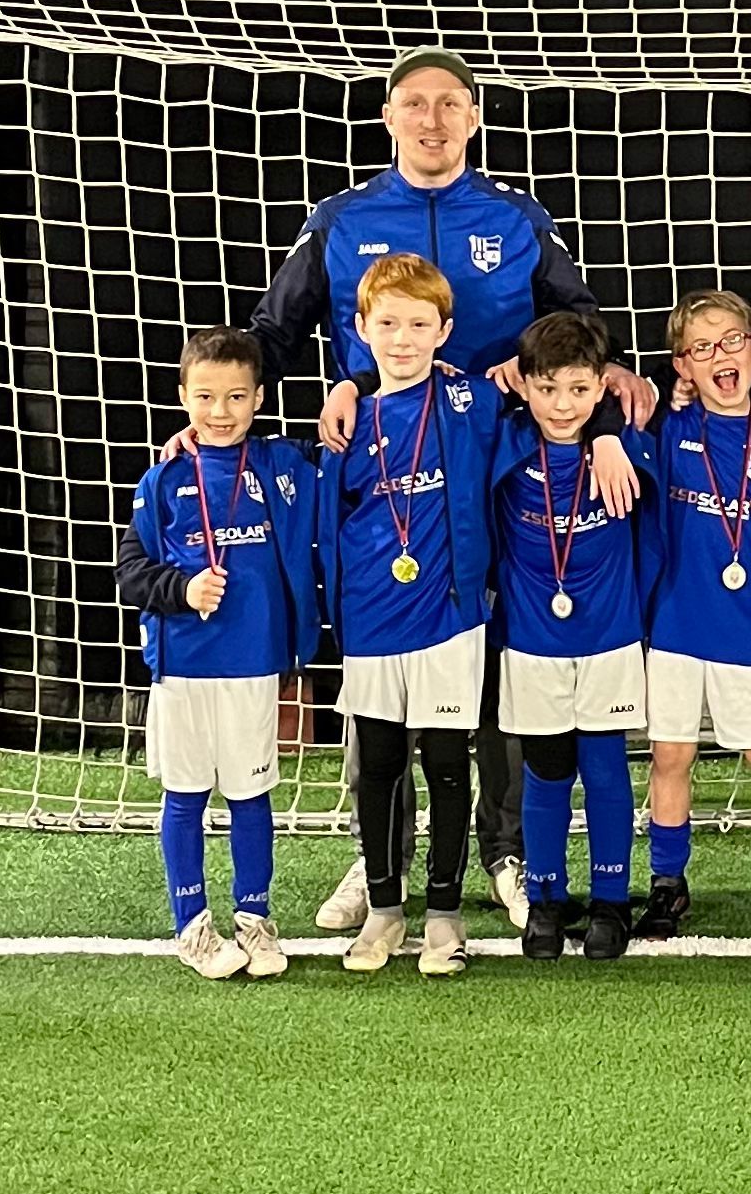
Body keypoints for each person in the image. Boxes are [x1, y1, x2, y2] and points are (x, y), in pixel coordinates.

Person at [205, 45, 662, 934]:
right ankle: (378, 851)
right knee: (381, 669)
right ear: (388, 117)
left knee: (491, 661)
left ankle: (503, 849)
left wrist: (604, 417)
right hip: (383, 478)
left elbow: (582, 328)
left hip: (497, 467)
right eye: (415, 103)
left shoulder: (516, 217)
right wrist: (219, 412)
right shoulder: (342, 220)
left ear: (474, 117)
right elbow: (271, 333)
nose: (432, 119)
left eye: (451, 103)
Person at [316, 255, 505, 977]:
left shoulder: (470, 401)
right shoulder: (345, 422)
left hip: (450, 619)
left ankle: (445, 915)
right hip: (370, 619)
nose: (402, 338)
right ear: (360, 328)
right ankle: (385, 911)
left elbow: (558, 399)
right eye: (388, 323)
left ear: (444, 331)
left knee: (449, 765)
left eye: (419, 324)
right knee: (380, 767)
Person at [115, 327, 318, 979]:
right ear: (182, 396)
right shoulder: (164, 479)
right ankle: (193, 926)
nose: (220, 411)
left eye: (235, 396)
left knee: (251, 795)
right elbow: (130, 571)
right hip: (184, 669)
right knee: (186, 796)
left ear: (259, 397)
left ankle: (254, 919)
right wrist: (182, 589)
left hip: (254, 666)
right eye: (204, 396)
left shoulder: (282, 466)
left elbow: (345, 446)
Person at [635, 290, 751, 942]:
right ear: (683, 365)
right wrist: (663, 395)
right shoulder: (669, 427)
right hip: (676, 626)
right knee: (670, 755)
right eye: (702, 347)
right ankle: (667, 883)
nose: (721, 355)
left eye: (733, 340)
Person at [490, 313, 663, 961]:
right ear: (525, 386)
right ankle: (546, 900)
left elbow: (658, 530)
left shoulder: (628, 447)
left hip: (609, 637)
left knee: (606, 768)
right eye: (547, 389)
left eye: (579, 389)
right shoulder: (505, 443)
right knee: (546, 772)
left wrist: (610, 432)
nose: (563, 405)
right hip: (531, 641)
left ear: (600, 387)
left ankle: (611, 901)